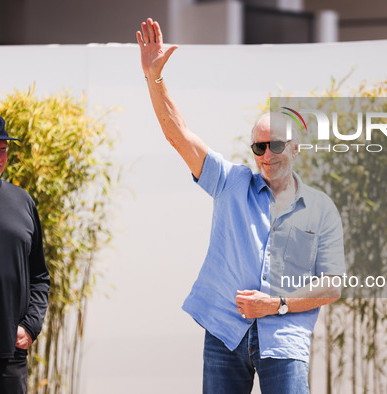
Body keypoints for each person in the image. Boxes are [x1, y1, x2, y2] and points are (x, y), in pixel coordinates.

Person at [137, 18, 345, 393]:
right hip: (224, 333)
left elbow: (331, 286)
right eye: (259, 147)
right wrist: (155, 77)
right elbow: (178, 134)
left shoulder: (320, 208)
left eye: (277, 145)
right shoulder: (231, 183)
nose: (268, 155)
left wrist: (275, 304)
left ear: (295, 149)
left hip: (284, 341)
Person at [0, 111, 50, 394]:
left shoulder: (22, 202)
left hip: (7, 356)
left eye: (3, 149)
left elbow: (40, 275)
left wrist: (31, 326)